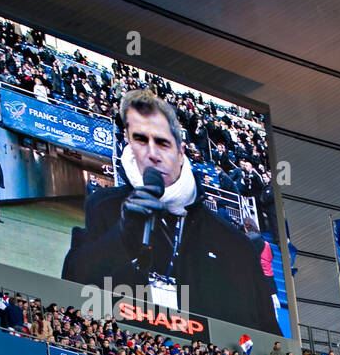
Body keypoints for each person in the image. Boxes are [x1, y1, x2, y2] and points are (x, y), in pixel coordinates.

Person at [61, 89, 277, 331]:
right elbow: (70, 288)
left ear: (180, 149)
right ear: (129, 142)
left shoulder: (230, 239)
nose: (153, 154)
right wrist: (120, 239)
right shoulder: (103, 207)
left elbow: (265, 329)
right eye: (141, 140)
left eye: (162, 142)